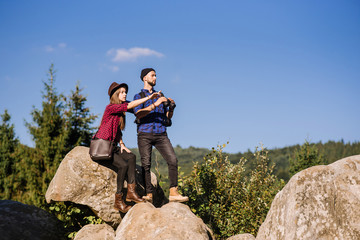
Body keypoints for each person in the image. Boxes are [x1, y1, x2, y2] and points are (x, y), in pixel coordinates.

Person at [92, 82, 162, 213]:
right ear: (116, 95)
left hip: (112, 146)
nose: (125, 94)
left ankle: (131, 192)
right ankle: (118, 200)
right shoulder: (111, 107)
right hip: (102, 147)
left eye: (125, 92)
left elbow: (118, 129)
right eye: (122, 92)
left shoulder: (119, 112)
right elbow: (130, 105)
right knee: (123, 166)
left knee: (131, 157)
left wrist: (122, 145)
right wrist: (149, 98)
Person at [133, 68, 189, 203]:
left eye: (156, 75)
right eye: (153, 75)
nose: (155, 78)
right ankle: (149, 194)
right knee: (146, 164)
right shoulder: (139, 96)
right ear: (144, 78)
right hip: (144, 134)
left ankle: (173, 192)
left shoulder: (161, 96)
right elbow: (138, 113)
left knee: (172, 160)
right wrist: (155, 104)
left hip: (161, 134)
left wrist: (171, 108)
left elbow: (167, 119)